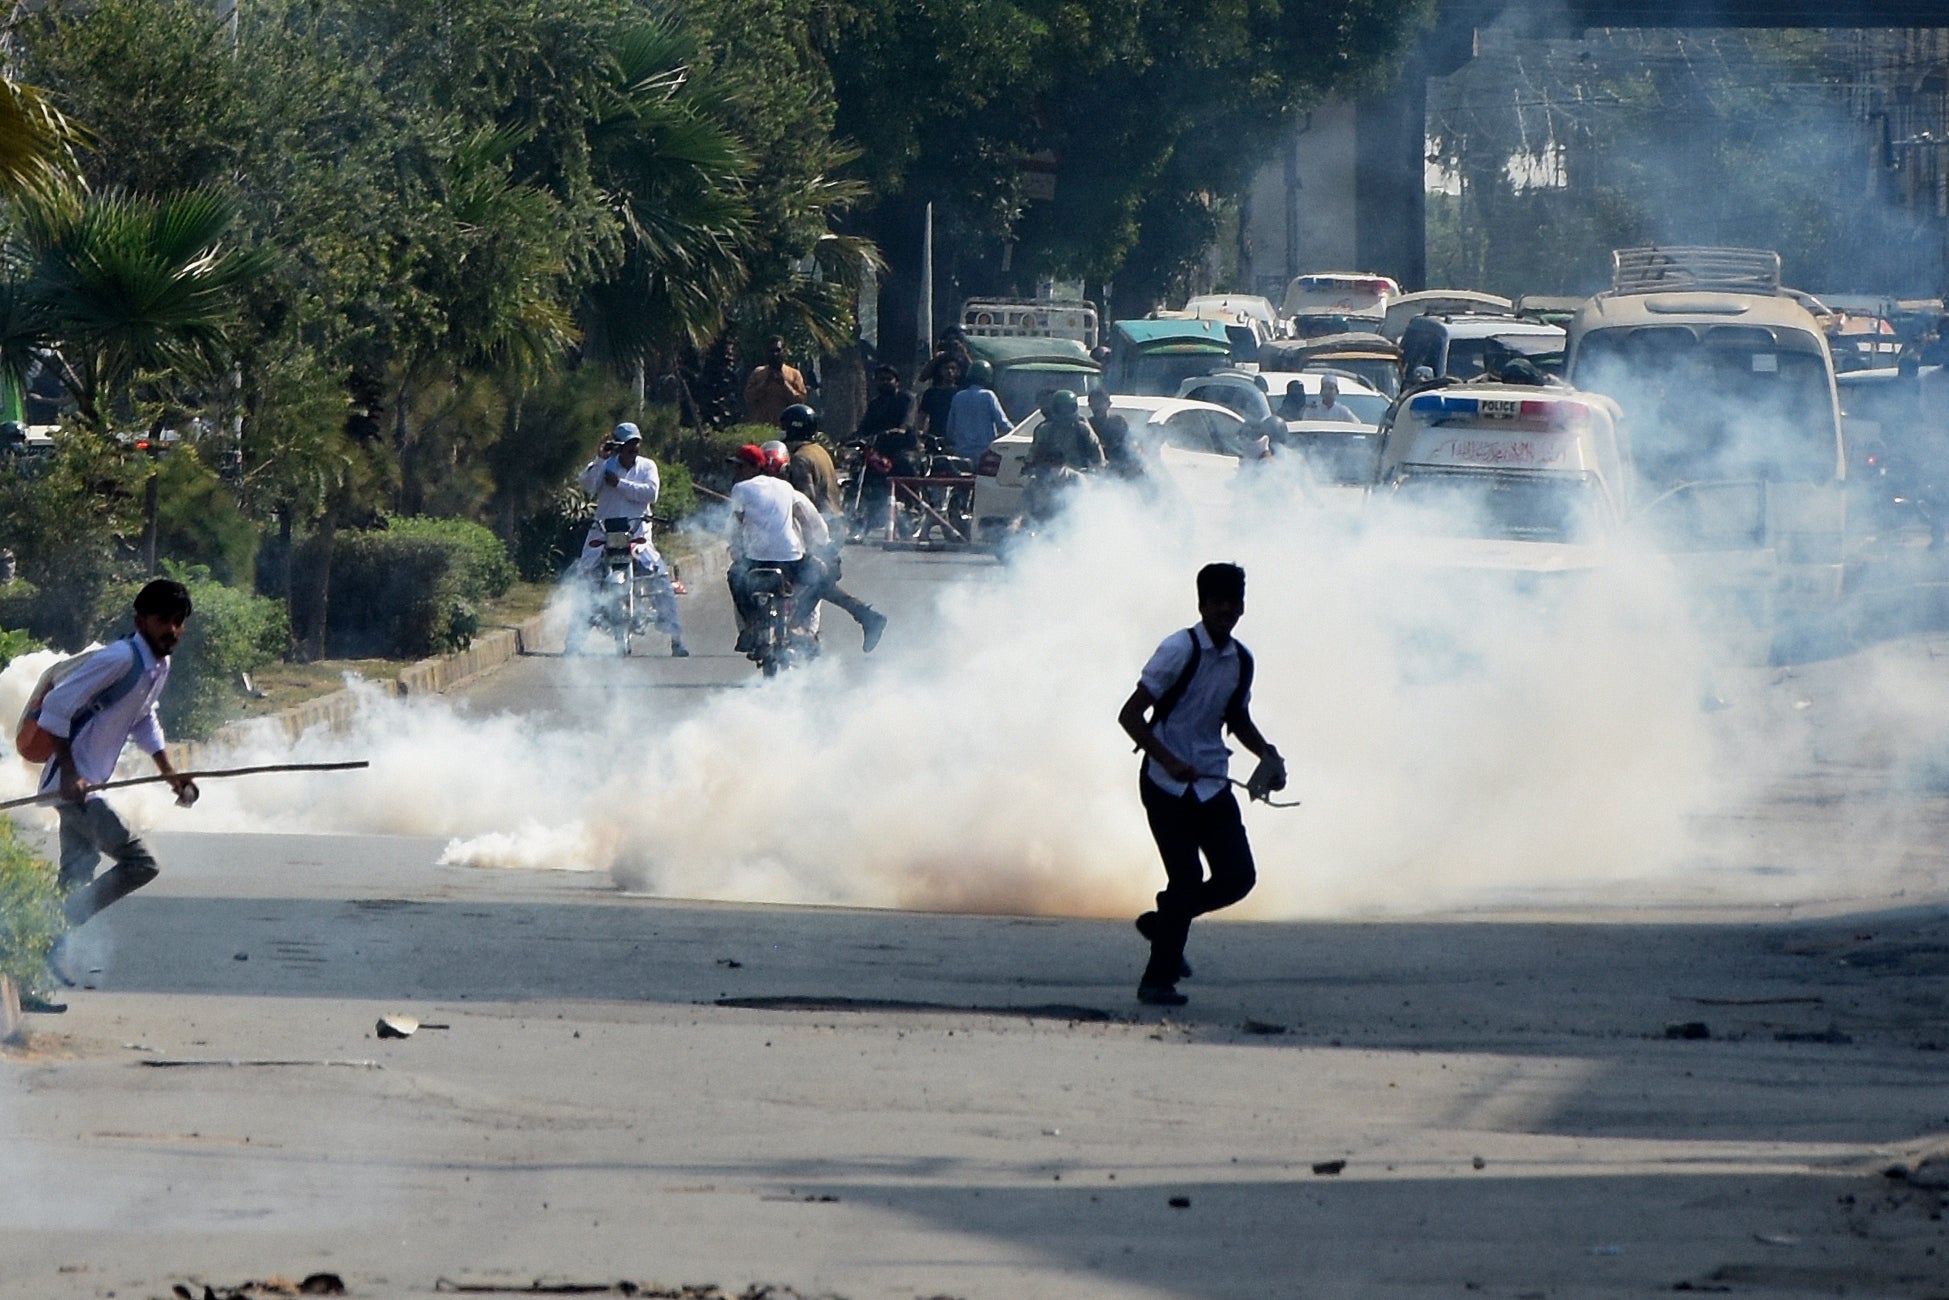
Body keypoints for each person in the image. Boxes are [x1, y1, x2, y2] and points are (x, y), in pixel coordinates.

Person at [1116, 563, 1285, 1007]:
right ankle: (1157, 980)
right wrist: (1169, 760)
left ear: (1243, 607)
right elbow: (1130, 716)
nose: (1226, 609)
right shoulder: (1178, 649)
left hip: (1210, 783)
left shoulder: (1240, 660)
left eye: (1234, 601)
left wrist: (1267, 755)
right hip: (1164, 785)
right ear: (1202, 603)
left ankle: (1164, 921)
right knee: (1187, 878)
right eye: (1218, 601)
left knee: (1238, 878)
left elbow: (1236, 719)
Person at [32, 579, 202, 1012]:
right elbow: (55, 712)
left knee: (74, 877)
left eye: (179, 622)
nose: (173, 630)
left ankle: (33, 963)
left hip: (84, 787)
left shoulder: (156, 667)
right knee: (142, 864)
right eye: (163, 620)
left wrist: (171, 775)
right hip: (75, 790)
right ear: (140, 620)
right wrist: (71, 774)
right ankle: (50, 927)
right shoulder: (118, 659)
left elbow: (143, 720)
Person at [570, 422, 686, 656]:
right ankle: (574, 641)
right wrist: (601, 459)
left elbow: (650, 493)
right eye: (627, 446)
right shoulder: (604, 466)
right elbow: (588, 486)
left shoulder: (647, 467)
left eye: (636, 445)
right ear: (617, 447)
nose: (633, 450)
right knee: (585, 579)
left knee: (660, 579)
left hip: (637, 535)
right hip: (604, 534)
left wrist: (619, 484)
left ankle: (676, 639)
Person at [780, 406, 888, 652]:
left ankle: (798, 631)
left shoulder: (799, 459)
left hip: (819, 528)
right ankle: (864, 617)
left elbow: (804, 499)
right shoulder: (818, 451)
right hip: (835, 523)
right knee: (820, 581)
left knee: (810, 577)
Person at [726, 443, 831, 654]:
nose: (737, 472)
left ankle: (751, 629)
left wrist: (735, 550)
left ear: (757, 468)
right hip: (792, 559)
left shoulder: (742, 489)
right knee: (818, 576)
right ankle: (804, 630)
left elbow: (733, 527)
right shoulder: (789, 490)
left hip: (756, 561)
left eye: (741, 467)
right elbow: (816, 526)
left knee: (736, 576)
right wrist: (821, 548)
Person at [1023, 389, 1104, 524]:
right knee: (1030, 506)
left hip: (1078, 478)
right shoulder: (1045, 430)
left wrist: (1097, 472)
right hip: (1051, 478)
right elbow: (1034, 452)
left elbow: (1097, 453)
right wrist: (1029, 466)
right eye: (1061, 409)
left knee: (1085, 512)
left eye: (1068, 408)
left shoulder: (1082, 429)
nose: (1065, 412)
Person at [944, 359, 1013, 462]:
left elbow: (950, 430)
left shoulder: (958, 397)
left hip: (961, 455)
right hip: (985, 455)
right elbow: (1003, 424)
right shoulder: (988, 396)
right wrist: (1018, 433)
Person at [744, 335, 808, 427]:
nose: (775, 354)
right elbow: (748, 397)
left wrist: (784, 384)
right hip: (761, 427)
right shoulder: (758, 373)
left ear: (784, 351)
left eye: (778, 350)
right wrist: (765, 384)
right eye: (771, 351)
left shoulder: (794, 374)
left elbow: (801, 401)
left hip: (786, 427)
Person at [1087, 388, 1143, 478]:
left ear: (1108, 404)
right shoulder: (1088, 425)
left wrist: (1134, 464)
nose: (1097, 407)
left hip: (1122, 467)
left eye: (1100, 403)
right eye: (1094, 404)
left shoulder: (1118, 422)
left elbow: (1130, 444)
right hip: (1098, 470)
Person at [915, 358, 962, 443]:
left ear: (958, 372)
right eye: (946, 368)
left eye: (953, 368)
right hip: (934, 437)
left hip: (955, 439)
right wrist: (919, 432)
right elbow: (922, 416)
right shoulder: (931, 393)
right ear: (940, 370)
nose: (949, 371)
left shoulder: (961, 394)